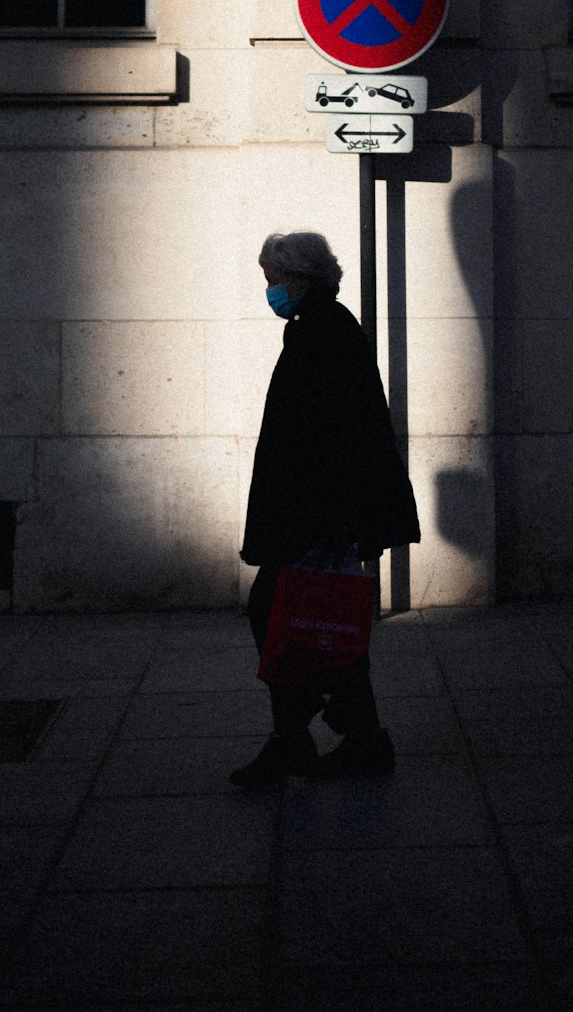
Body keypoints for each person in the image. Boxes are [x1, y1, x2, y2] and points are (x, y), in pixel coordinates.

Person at [230, 230, 420, 788]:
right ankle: (348, 736)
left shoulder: (321, 334)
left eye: (273, 281)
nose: (270, 292)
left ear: (300, 280)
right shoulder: (319, 328)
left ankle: (317, 736)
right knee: (311, 622)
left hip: (315, 517)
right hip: (317, 514)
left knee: (286, 616)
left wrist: (335, 524)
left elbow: (336, 438)